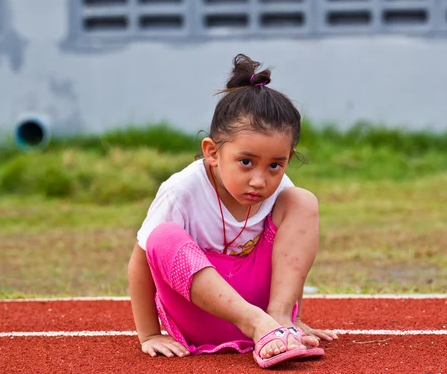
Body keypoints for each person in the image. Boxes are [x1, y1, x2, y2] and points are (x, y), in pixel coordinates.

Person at [128, 54, 337, 369]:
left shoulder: (282, 192)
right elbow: (141, 263)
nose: (259, 180)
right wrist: (148, 335)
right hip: (200, 316)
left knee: (303, 200)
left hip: (267, 315)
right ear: (213, 152)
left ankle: (278, 324)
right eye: (246, 162)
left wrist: (292, 317)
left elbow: (292, 261)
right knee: (163, 235)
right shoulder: (181, 191)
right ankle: (259, 324)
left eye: (275, 165)